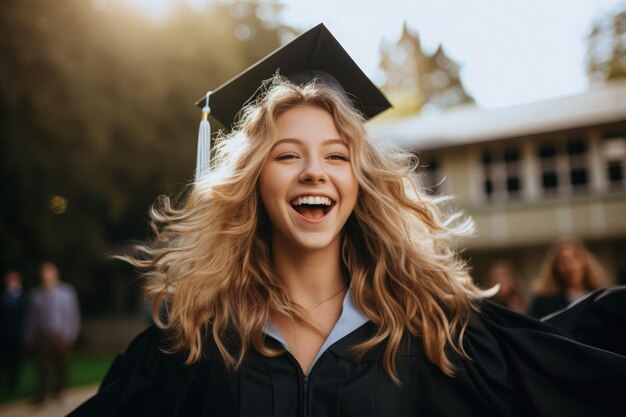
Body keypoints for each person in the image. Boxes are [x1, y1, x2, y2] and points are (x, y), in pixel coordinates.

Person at [71, 24, 626, 417]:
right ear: (254, 182)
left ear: (359, 183)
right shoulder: (196, 345)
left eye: (337, 156)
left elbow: (563, 362)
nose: (315, 171)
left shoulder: (427, 330)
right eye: (288, 155)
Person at [24, 262, 80, 404]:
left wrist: (71, 335)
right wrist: (28, 336)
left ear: (55, 275)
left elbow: (73, 315)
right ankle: (41, 394)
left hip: (61, 336)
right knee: (43, 367)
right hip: (43, 337)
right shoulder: (35, 295)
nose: (45, 276)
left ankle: (59, 391)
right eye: (43, 274)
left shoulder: (67, 292)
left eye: (48, 273)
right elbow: (31, 318)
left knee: (61, 366)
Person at [529, 237, 609, 318]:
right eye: (562, 261)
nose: (569, 267)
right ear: (555, 268)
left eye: (575, 258)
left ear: (585, 262)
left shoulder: (600, 297)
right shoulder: (543, 301)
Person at [0, 270, 27, 393]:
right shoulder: (3, 296)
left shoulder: (24, 297)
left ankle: (13, 384)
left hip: (17, 335)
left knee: (15, 362)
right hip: (4, 335)